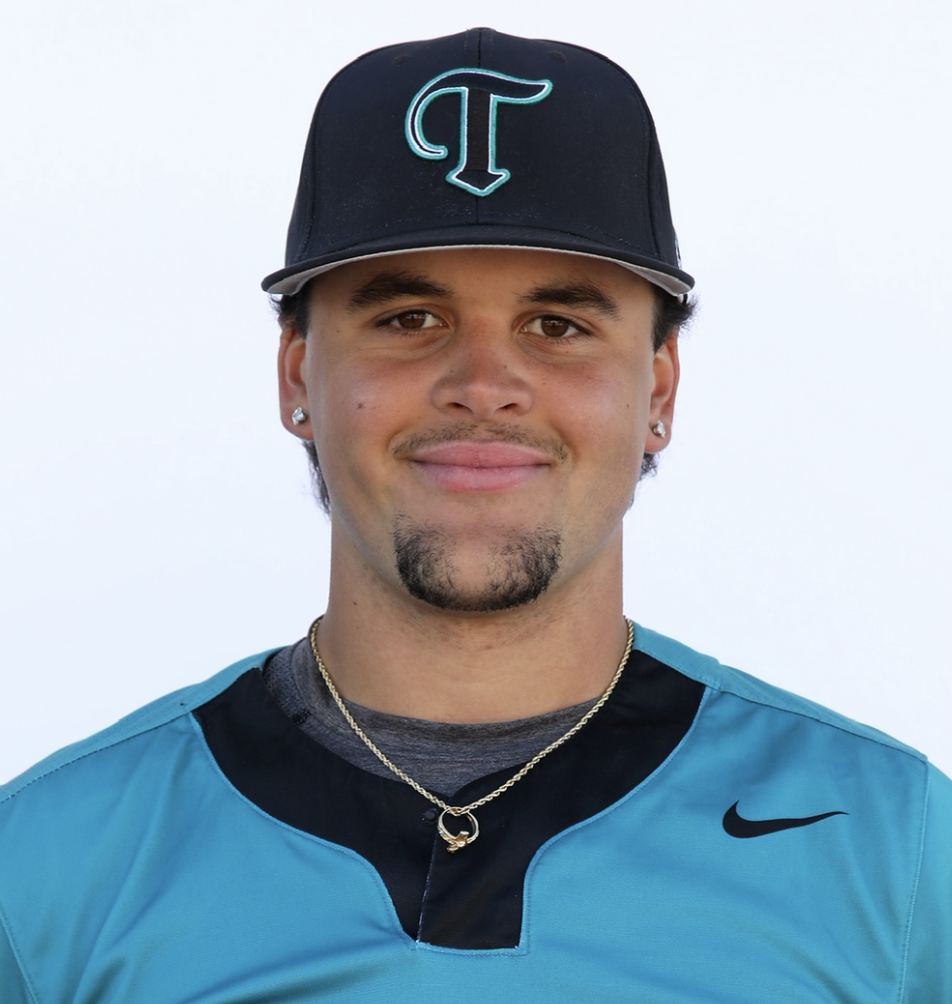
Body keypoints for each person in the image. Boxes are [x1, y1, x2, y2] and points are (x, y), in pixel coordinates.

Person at [1, 26, 949, 1003]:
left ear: (658, 388)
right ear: (298, 377)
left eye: (559, 324)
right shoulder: (46, 870)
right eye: (409, 319)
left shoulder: (894, 844)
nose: (485, 384)